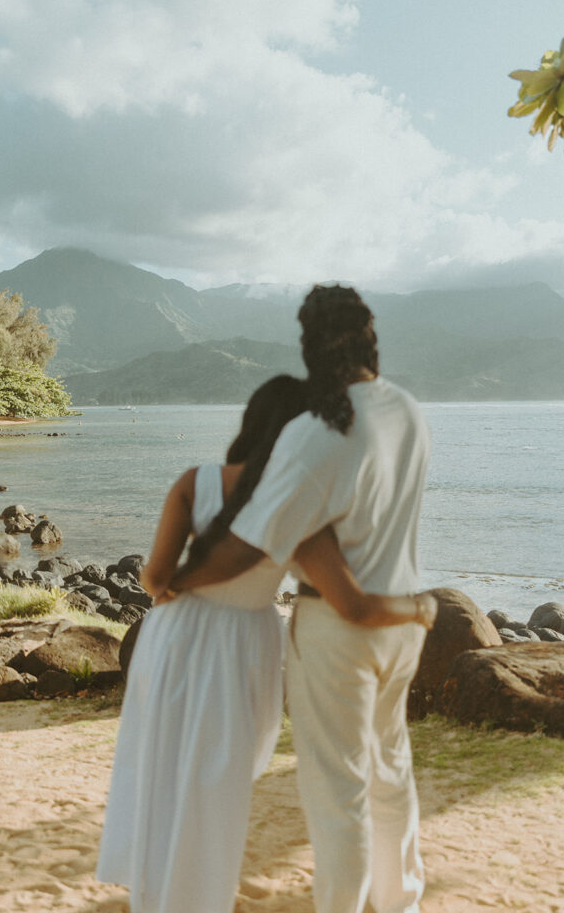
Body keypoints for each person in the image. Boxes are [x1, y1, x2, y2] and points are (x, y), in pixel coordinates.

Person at [96, 374, 436, 913]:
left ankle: (155, 894)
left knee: (161, 761)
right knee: (219, 783)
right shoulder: (298, 504)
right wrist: (419, 606)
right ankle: (200, 896)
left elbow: (155, 577)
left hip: (174, 635)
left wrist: (183, 580)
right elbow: (346, 596)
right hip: (243, 641)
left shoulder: (195, 481)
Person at [168, 285, 433, 913]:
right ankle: (403, 904)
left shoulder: (319, 432)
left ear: (311, 347)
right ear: (371, 339)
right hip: (404, 622)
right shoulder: (409, 410)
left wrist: (178, 578)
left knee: (337, 790)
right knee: (390, 772)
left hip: (339, 630)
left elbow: (246, 546)